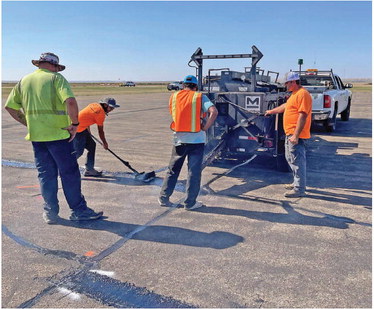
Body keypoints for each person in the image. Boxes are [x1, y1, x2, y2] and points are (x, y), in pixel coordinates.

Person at [4, 52, 104, 223]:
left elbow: (10, 107)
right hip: (58, 136)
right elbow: (70, 102)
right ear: (54, 66)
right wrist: (74, 124)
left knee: (46, 175)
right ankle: (79, 211)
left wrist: (28, 123)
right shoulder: (56, 79)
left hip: (37, 137)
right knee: (69, 173)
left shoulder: (23, 81)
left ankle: (50, 213)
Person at [159, 75, 218, 210]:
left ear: (183, 85)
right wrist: (206, 127)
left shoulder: (174, 97)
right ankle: (190, 203)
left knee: (173, 170)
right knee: (193, 172)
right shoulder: (199, 97)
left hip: (179, 139)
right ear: (196, 86)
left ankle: (163, 198)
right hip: (197, 140)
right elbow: (214, 112)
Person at [265, 71, 312, 198]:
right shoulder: (294, 94)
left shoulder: (303, 94)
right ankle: (296, 182)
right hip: (290, 133)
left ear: (293, 82)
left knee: (297, 161)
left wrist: (296, 135)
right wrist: (271, 111)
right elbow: (286, 106)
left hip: (296, 134)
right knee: (290, 158)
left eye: (287, 83)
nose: (286, 86)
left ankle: (299, 189)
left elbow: (303, 115)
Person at [73, 97, 120, 176]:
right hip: (77, 130)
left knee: (91, 145)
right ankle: (63, 167)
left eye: (113, 108)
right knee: (78, 152)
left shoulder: (94, 105)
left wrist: (88, 132)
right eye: (111, 107)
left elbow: (85, 118)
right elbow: (100, 131)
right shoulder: (100, 113)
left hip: (82, 128)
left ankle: (89, 170)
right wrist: (104, 143)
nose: (112, 109)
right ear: (105, 105)